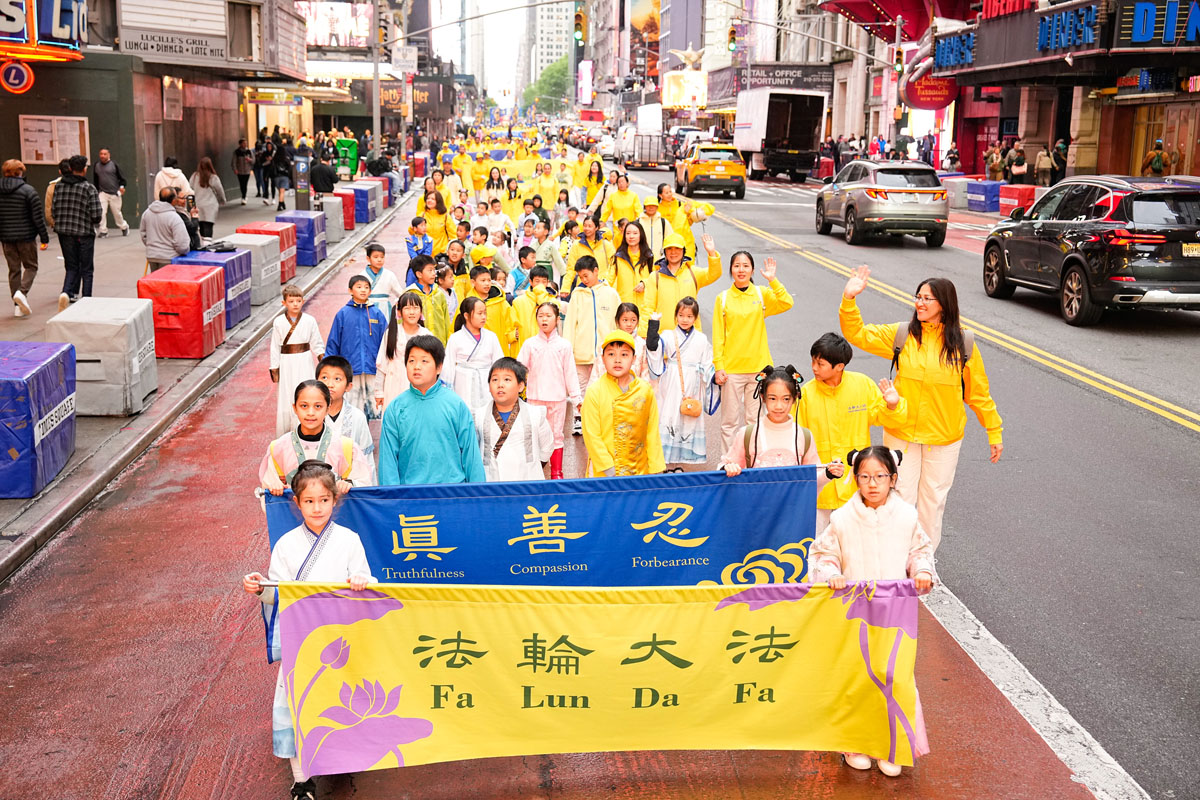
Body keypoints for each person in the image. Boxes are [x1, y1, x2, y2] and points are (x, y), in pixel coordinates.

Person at [839, 265, 1003, 549]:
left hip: (944, 438)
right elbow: (857, 334)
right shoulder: (902, 335)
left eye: (927, 298)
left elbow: (978, 393)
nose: (920, 303)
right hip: (901, 433)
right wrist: (849, 299)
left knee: (932, 502)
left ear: (944, 305)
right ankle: (895, 557)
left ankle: (924, 559)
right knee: (899, 498)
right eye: (918, 297)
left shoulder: (963, 343)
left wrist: (994, 430)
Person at [242, 460, 373, 800]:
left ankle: (342, 758)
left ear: (334, 500)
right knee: (297, 705)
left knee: (341, 702)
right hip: (302, 638)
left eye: (324, 500)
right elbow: (277, 592)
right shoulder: (286, 544)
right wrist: (260, 587)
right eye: (310, 501)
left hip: (339, 637)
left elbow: (366, 580)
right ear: (297, 503)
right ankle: (302, 781)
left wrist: (362, 580)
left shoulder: (349, 540)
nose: (317, 508)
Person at [806, 445, 934, 778]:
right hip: (855, 612)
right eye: (864, 477)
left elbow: (920, 551)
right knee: (857, 674)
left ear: (893, 478)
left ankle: (893, 745)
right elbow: (822, 555)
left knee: (894, 675)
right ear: (855, 479)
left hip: (896, 614)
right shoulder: (842, 519)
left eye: (879, 476)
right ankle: (855, 743)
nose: (872, 484)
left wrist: (922, 571)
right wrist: (831, 573)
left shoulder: (907, 517)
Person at [795, 333, 906, 530]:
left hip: (854, 483)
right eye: (813, 361)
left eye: (820, 364)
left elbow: (885, 418)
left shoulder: (862, 385)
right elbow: (796, 439)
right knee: (816, 540)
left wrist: (892, 405)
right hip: (821, 484)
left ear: (839, 366)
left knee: (854, 539)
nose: (814, 368)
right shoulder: (805, 395)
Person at [711, 252, 794, 452]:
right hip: (732, 370)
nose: (741, 270)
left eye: (746, 266)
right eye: (737, 265)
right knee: (729, 422)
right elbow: (718, 336)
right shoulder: (723, 299)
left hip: (759, 369)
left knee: (755, 419)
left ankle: (755, 459)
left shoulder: (761, 294)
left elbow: (787, 302)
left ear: (752, 270)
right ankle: (728, 460)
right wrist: (719, 366)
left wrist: (773, 280)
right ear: (731, 269)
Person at [378, 334, 487, 484]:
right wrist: (392, 497)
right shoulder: (395, 409)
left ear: (439, 367)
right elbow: (387, 464)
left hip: (452, 493)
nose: (417, 366)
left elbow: (471, 457)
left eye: (424, 361)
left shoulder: (456, 405)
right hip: (410, 494)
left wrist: (479, 494)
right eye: (411, 361)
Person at [258, 380, 373, 494]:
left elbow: (363, 484)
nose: (310, 412)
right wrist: (275, 486)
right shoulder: (279, 448)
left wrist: (349, 484)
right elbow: (268, 490)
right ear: (295, 408)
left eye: (318, 406)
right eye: (304, 406)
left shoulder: (345, 447)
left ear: (328, 408)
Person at [720, 366, 830, 483]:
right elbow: (723, 469)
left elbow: (812, 479)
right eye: (772, 398)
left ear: (794, 399)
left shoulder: (804, 436)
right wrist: (727, 468)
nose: (778, 406)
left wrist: (828, 474)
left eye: (786, 399)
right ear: (763, 397)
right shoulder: (748, 434)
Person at [582, 329, 665, 477]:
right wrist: (609, 469)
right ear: (602, 358)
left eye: (624, 355)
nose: (617, 360)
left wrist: (656, 470)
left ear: (634, 358)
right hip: (605, 474)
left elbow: (652, 432)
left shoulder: (645, 390)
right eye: (611, 354)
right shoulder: (595, 391)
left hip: (639, 470)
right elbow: (591, 435)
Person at [646, 298, 715, 465]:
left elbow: (708, 363)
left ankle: (681, 461)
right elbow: (653, 348)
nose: (685, 319)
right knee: (669, 414)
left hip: (693, 382)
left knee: (688, 417)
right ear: (676, 316)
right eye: (681, 315)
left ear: (695, 318)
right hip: (671, 381)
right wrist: (653, 325)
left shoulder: (701, 339)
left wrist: (712, 376)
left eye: (689, 316)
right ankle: (665, 460)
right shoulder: (668, 335)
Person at [517, 300, 580, 479]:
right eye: (540, 316)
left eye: (548, 316)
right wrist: (516, 391)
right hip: (534, 399)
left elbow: (570, 374)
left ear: (557, 319)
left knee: (556, 436)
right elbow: (519, 369)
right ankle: (534, 473)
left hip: (557, 399)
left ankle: (556, 473)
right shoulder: (529, 344)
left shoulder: (564, 346)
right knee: (534, 435)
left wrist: (576, 399)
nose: (544, 319)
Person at [562, 255, 621, 436]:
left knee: (604, 388)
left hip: (604, 354)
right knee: (579, 388)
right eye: (580, 277)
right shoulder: (577, 295)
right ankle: (579, 419)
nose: (584, 280)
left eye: (586, 275)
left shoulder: (611, 294)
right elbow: (570, 324)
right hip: (581, 353)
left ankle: (601, 420)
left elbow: (617, 322)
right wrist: (568, 350)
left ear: (596, 271)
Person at [473, 357, 555, 482]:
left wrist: (532, 468)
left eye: (507, 379)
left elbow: (547, 447)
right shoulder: (478, 416)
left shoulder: (536, 414)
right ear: (489, 386)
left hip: (526, 483)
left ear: (520, 386)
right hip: (491, 482)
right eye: (495, 380)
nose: (500, 385)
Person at [326, 275, 388, 419]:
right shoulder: (343, 314)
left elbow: (386, 341)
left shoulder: (377, 313)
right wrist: (330, 368)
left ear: (370, 291)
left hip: (373, 368)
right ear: (350, 290)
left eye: (366, 287)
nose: (363, 290)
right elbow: (333, 342)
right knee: (352, 407)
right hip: (350, 370)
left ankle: (373, 433)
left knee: (376, 407)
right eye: (359, 287)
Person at [269, 285, 326, 436]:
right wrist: (275, 367)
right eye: (291, 301)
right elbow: (275, 346)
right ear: (284, 303)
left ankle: (308, 427)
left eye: (298, 301)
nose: (295, 304)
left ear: (303, 301)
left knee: (306, 390)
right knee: (287, 395)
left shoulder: (309, 320)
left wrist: (322, 360)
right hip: (286, 362)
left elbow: (317, 342)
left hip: (305, 360)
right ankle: (286, 431)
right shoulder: (278, 322)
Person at [641, 232, 723, 336]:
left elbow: (714, 274)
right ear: (664, 251)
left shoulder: (693, 273)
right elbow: (648, 307)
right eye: (669, 249)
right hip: (664, 336)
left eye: (677, 248)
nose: (673, 252)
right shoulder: (655, 277)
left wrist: (711, 252)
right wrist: (644, 334)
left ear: (683, 251)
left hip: (691, 335)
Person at [316, 355, 377, 485]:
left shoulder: (357, 417)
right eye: (324, 378)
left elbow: (367, 459)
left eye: (337, 379)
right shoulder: (311, 416)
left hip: (349, 486)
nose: (330, 384)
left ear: (348, 386)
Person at [0, 159, 50, 317]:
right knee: (31, 266)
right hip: (26, 236)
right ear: (20, 172)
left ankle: (17, 307)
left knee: (14, 269)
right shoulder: (28, 191)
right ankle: (22, 293)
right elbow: (37, 217)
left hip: (6, 237)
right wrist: (44, 237)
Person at [51, 155, 101, 311]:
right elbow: (96, 215)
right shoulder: (89, 188)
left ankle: (67, 292)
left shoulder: (59, 187)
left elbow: (54, 210)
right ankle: (86, 299)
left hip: (64, 232)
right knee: (87, 269)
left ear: (70, 168)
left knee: (71, 266)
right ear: (84, 169)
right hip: (84, 233)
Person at [443, 295, 506, 409]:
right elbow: (448, 366)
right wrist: (447, 391)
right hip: (463, 383)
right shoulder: (455, 338)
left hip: (486, 382)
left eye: (485, 313)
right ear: (466, 315)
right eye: (479, 313)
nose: (483, 317)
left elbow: (499, 364)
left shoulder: (491, 337)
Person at [374, 291, 431, 412]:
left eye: (415, 308)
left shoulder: (426, 335)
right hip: (394, 384)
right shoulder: (391, 334)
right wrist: (379, 391)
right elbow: (382, 364)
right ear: (399, 312)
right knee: (394, 417)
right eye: (407, 308)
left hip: (420, 386)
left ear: (421, 311)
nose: (412, 312)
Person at [467, 263, 517, 356]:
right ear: (473, 282)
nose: (487, 283)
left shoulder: (500, 302)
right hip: (475, 352)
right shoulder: (467, 303)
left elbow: (510, 323)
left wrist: (512, 335)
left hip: (498, 349)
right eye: (483, 280)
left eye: (489, 280)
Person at [140, 187, 192, 271]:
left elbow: (144, 235)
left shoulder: (147, 213)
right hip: (169, 257)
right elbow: (182, 243)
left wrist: (152, 246)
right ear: (173, 200)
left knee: (155, 279)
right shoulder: (174, 217)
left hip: (152, 256)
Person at [406, 254, 450, 343]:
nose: (434, 274)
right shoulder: (409, 295)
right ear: (419, 274)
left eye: (434, 270)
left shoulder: (439, 294)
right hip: (417, 344)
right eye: (430, 270)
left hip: (439, 343)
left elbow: (446, 320)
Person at [565, 215, 616, 291]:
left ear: (596, 227)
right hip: (583, 286)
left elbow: (613, 265)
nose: (586, 228)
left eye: (590, 226)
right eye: (585, 226)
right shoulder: (577, 245)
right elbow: (571, 268)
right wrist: (565, 287)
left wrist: (607, 282)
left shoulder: (606, 245)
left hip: (602, 286)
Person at [357, 242, 404, 319]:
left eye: (382, 257)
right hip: (367, 308)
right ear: (368, 258)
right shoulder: (362, 275)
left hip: (384, 308)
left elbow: (400, 293)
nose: (379, 260)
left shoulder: (389, 275)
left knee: (385, 325)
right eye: (376, 257)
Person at [613, 220, 653, 304]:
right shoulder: (618, 257)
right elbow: (609, 279)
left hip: (644, 306)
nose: (631, 236)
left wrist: (645, 283)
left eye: (635, 233)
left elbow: (656, 279)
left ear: (641, 235)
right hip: (625, 305)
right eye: (628, 233)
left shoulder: (649, 257)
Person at [92, 148, 129, 237]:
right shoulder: (96, 165)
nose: (102, 156)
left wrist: (121, 187)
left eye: (105, 154)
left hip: (114, 193)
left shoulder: (114, 165)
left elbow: (122, 178)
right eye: (101, 154)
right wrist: (97, 192)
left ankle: (124, 227)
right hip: (102, 193)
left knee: (117, 213)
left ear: (109, 155)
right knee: (101, 212)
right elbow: (96, 180)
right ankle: (103, 231)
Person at [188, 157, 225, 240]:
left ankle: (203, 242)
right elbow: (220, 190)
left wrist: (190, 205)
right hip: (210, 206)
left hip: (198, 204)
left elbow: (189, 190)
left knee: (201, 225)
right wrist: (222, 200)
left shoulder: (194, 176)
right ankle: (208, 242)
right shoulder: (213, 177)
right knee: (208, 225)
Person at [638, 195, 674, 261]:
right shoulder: (638, 222)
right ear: (644, 207)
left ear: (657, 207)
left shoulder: (663, 222)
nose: (651, 207)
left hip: (660, 260)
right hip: (641, 259)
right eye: (648, 205)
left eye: (653, 205)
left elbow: (671, 240)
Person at [271, 141, 294, 211]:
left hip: (276, 176)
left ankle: (282, 203)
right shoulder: (286, 159)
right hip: (284, 176)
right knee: (282, 191)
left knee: (280, 191)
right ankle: (280, 204)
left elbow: (272, 167)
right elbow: (289, 168)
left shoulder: (274, 159)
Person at [231, 139, 254, 204]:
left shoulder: (249, 151)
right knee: (241, 184)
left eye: (246, 143)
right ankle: (244, 196)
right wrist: (235, 169)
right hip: (240, 171)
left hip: (247, 171)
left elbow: (253, 161)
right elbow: (234, 161)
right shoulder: (237, 152)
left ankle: (244, 197)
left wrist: (249, 160)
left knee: (245, 184)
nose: (245, 144)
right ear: (240, 144)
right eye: (243, 143)